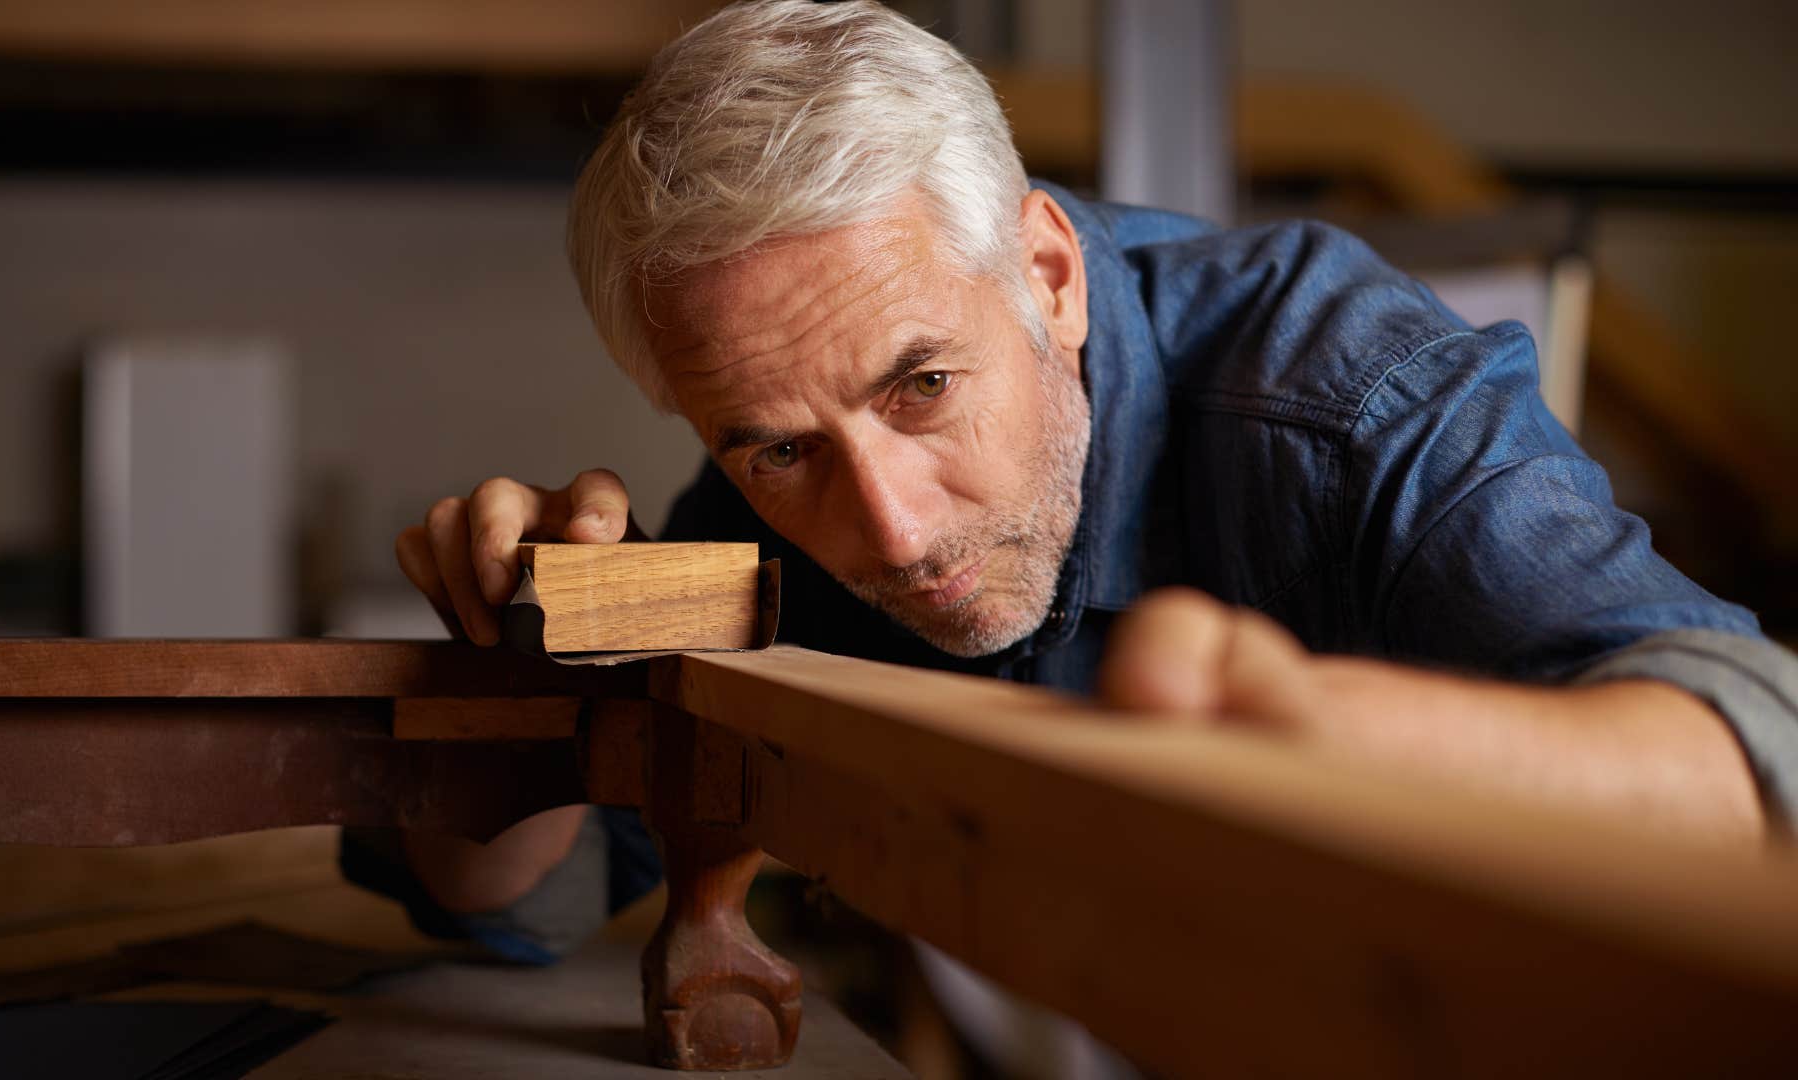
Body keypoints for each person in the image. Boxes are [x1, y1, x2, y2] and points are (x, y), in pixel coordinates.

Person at [349, 0, 1798, 972]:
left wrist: (1311, 736)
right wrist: (516, 681)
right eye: (776, 446)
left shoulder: (1348, 394)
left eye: (923, 384)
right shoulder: (776, 500)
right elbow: (518, 909)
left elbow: (1760, 755)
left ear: (1046, 274)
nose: (896, 534)